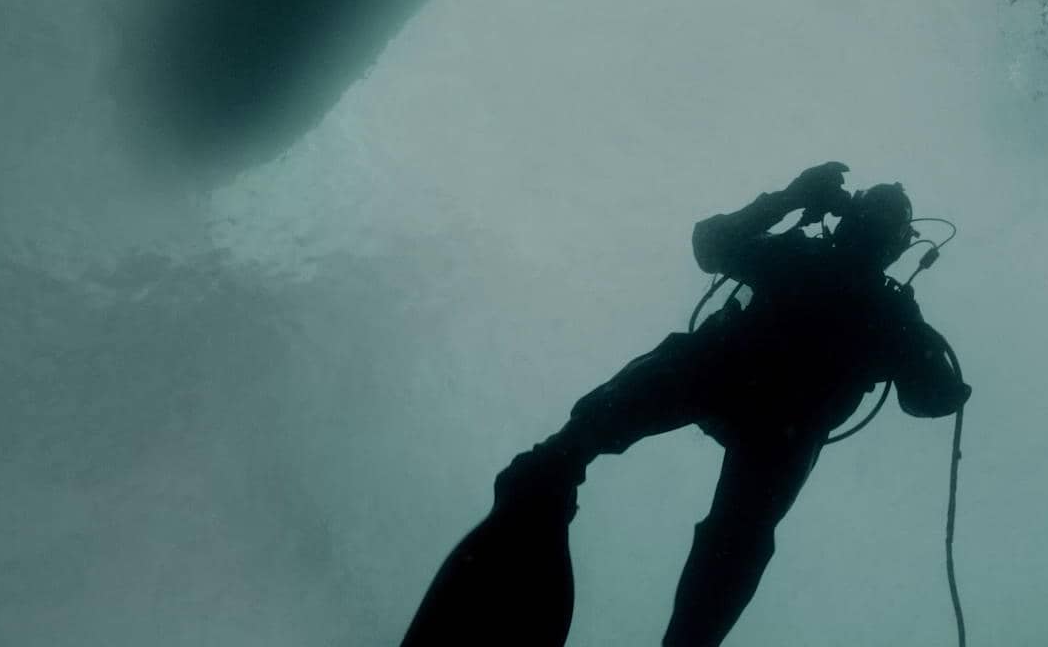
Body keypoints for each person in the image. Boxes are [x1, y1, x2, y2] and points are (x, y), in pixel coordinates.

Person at [401, 162, 971, 646]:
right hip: (771, 417)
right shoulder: (880, 307)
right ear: (900, 246)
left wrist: (792, 200)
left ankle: (550, 478)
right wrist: (791, 200)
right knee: (739, 533)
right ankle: (560, 487)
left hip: (746, 399)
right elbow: (931, 398)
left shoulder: (848, 287)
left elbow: (712, 244)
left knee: (729, 524)